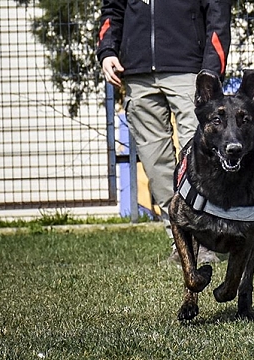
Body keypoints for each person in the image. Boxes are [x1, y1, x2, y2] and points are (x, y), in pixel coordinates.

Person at [96, 0, 232, 263]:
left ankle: (206, 241)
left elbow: (218, 13)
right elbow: (113, 9)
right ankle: (180, 242)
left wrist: (212, 70)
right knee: (156, 163)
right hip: (136, 72)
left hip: (189, 70)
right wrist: (107, 51)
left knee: (200, 159)